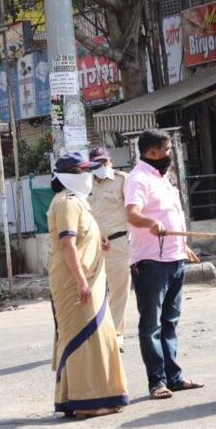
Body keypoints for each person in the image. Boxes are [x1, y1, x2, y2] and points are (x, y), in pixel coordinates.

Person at [47, 153, 128, 418]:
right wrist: (81, 281)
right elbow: (68, 244)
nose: (89, 177)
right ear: (71, 176)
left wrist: (99, 242)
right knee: (84, 339)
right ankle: (85, 403)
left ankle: (80, 398)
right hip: (75, 280)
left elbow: (83, 237)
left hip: (88, 278)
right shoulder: (67, 203)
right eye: (83, 172)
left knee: (96, 336)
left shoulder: (78, 203)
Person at [124, 129, 204, 400]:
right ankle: (157, 382)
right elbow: (132, 214)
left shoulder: (162, 178)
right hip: (151, 262)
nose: (170, 155)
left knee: (170, 321)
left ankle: (174, 377)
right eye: (167, 151)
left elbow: (169, 215)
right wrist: (151, 224)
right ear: (152, 153)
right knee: (152, 325)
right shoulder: (138, 178)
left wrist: (183, 247)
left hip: (174, 258)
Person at [87, 146, 130, 350]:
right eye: (96, 164)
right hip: (91, 245)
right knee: (93, 291)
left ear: (110, 161)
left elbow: (134, 209)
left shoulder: (123, 180)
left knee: (118, 290)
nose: (101, 167)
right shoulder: (85, 184)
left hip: (117, 243)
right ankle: (96, 332)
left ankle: (116, 334)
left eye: (104, 162)